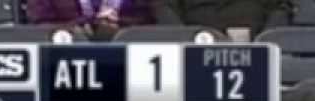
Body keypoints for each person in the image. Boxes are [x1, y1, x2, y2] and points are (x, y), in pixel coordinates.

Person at [153, 0, 293, 36]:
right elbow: (165, 9)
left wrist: (263, 45)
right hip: (194, 56)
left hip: (257, 54)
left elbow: (280, 8)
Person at [24, 1, 157, 37]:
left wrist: (120, 22)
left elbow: (157, 23)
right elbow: (39, 28)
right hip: (66, 57)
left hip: (133, 57)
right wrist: (87, 22)